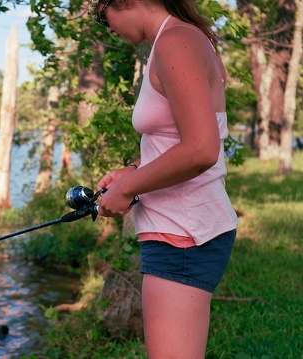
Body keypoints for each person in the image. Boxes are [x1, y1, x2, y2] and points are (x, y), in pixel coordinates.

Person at [88, 0, 239, 358]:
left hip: (184, 235)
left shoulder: (176, 41)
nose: (106, 26)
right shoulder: (178, 39)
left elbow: (202, 149)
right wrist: (135, 169)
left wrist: (127, 188)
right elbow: (179, 139)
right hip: (180, 228)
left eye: (101, 14)